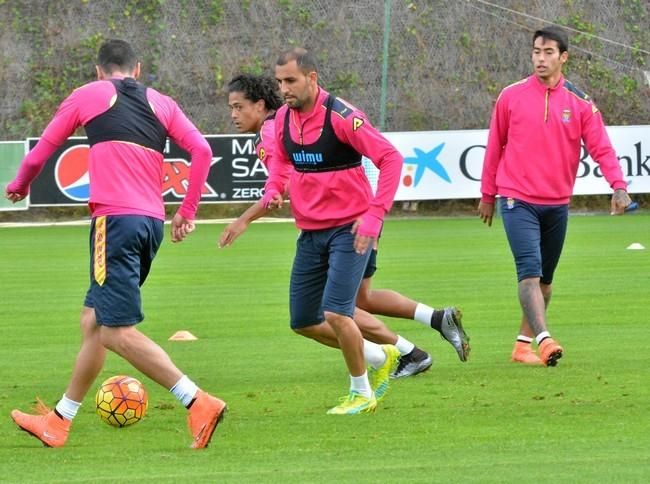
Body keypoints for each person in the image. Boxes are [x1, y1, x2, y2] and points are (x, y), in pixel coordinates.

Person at [5, 39, 226, 448]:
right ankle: (59, 420)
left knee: (115, 331)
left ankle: (197, 400)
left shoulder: (88, 95)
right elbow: (201, 149)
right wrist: (188, 211)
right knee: (94, 321)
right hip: (149, 223)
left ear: (98, 70)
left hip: (115, 220)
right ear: (137, 70)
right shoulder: (162, 102)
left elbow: (41, 153)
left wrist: (19, 185)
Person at [220, 74, 469, 383]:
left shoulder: (273, 131)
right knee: (360, 298)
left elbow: (280, 183)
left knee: (333, 307)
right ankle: (433, 321)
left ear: (259, 105)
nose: (233, 115)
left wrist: (244, 219)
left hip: (349, 215)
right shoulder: (287, 122)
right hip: (355, 209)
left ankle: (403, 354)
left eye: (238, 107)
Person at [478, 26, 632, 367]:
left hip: (557, 204)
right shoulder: (510, 96)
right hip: (517, 199)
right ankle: (545, 340)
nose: (540, 59)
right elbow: (494, 147)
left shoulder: (580, 103)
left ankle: (521, 347)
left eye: (548, 53)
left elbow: (601, 147)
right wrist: (488, 193)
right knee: (529, 274)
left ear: (563, 57)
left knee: (545, 284)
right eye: (536, 51)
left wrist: (618, 185)